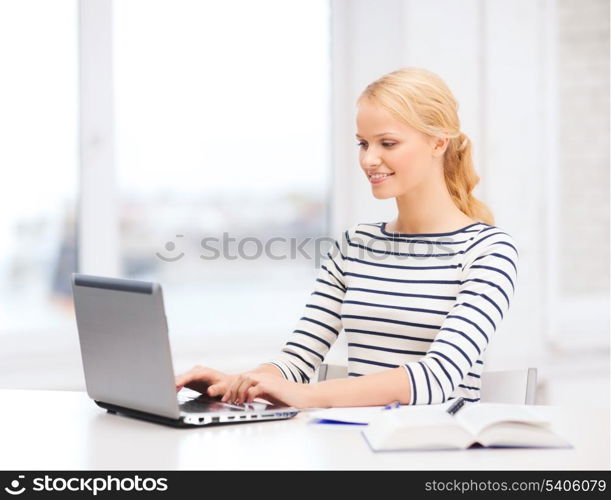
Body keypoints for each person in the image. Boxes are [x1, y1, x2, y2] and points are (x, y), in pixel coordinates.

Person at [175, 67, 519, 409]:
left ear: (439, 142)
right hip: (355, 444)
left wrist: (309, 396)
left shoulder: (489, 252)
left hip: (436, 451)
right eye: (363, 143)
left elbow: (439, 377)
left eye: (388, 143)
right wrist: (236, 382)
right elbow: (297, 360)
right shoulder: (355, 245)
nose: (369, 159)